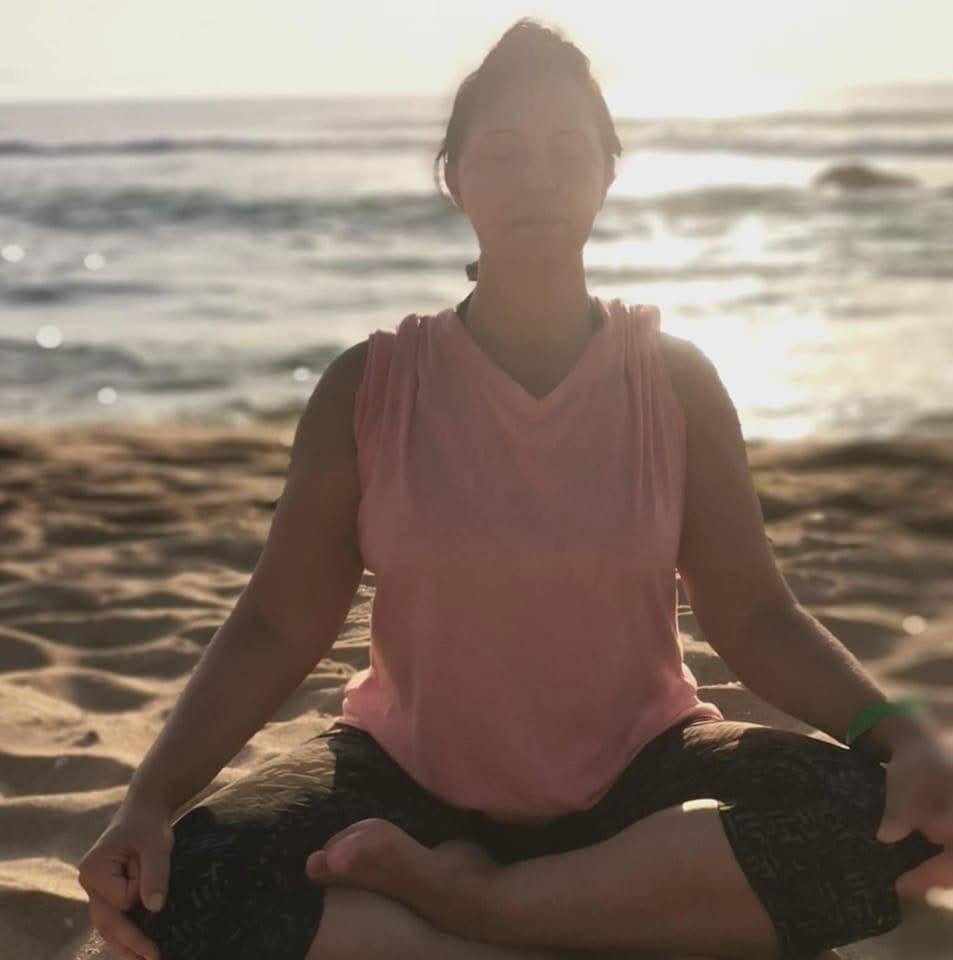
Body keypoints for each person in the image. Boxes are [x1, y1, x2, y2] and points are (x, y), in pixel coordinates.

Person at [74, 18, 950, 960]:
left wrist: (899, 734)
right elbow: (278, 625)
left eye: (566, 151)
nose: (537, 178)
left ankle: (491, 915)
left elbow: (754, 616)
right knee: (179, 885)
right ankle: (573, 917)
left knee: (897, 822)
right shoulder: (368, 388)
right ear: (454, 177)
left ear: (607, 173)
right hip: (402, 780)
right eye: (504, 152)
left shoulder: (673, 381)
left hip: (640, 770)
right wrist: (148, 801)